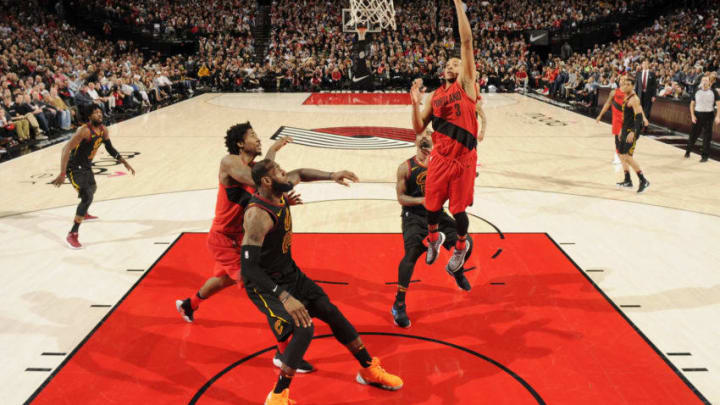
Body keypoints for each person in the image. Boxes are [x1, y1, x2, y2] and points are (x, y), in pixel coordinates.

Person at [242, 159, 402, 405]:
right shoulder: (257, 216)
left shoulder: (279, 190)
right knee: (304, 328)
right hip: (265, 285)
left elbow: (302, 173)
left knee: (330, 311)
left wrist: (332, 173)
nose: (287, 175)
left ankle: (368, 369)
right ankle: (277, 396)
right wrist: (283, 296)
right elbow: (249, 267)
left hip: (290, 273)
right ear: (266, 181)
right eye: (280, 172)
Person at [175, 123, 315, 373]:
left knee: (222, 280)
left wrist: (273, 158)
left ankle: (189, 304)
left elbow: (263, 183)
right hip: (222, 239)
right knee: (263, 289)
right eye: (253, 136)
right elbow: (258, 180)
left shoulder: (254, 169)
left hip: (241, 237)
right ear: (240, 143)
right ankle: (283, 354)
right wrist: (272, 153)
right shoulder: (229, 162)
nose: (258, 139)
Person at [410, 0, 479, 278]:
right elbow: (418, 129)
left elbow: (466, 42)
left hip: (463, 160)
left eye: (456, 62)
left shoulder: (467, 85)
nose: (452, 64)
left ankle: (461, 246)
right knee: (431, 207)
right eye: (449, 63)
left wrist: (458, 7)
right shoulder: (435, 95)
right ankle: (435, 238)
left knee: (459, 210)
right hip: (440, 157)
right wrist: (414, 103)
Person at [392, 129, 473, 328]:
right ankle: (399, 304)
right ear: (416, 141)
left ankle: (456, 269)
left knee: (467, 243)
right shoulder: (406, 167)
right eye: (422, 136)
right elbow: (401, 198)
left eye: (430, 135)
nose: (426, 138)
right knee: (410, 255)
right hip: (414, 217)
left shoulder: (443, 165)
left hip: (437, 214)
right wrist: (423, 200)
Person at [51, 106, 136, 248]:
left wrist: (124, 162)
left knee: (93, 188)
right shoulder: (84, 131)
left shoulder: (103, 130)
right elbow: (65, 149)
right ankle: (72, 234)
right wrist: (62, 173)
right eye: (96, 113)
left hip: (86, 166)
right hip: (74, 167)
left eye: (100, 113)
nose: (99, 115)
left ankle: (83, 211)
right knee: (87, 196)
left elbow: (110, 148)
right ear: (89, 116)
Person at [616, 77, 650, 193]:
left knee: (627, 156)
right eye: (624, 84)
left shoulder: (634, 99)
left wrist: (633, 132)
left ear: (632, 86)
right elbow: (626, 117)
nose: (625, 86)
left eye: (628, 84)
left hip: (632, 131)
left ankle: (643, 180)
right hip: (625, 129)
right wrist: (622, 129)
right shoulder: (627, 97)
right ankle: (628, 180)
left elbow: (638, 117)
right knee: (621, 155)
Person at [685, 76, 720, 162]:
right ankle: (688, 151)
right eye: (703, 80)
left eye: (706, 80)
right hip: (698, 115)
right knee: (693, 134)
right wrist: (693, 116)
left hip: (709, 115)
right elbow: (692, 104)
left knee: (707, 136)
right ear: (701, 81)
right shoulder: (697, 91)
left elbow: (719, 104)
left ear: (709, 82)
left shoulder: (714, 91)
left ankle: (705, 156)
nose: (704, 82)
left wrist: (718, 116)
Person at [596, 77, 627, 165]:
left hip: (626, 117)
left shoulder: (630, 93)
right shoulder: (613, 92)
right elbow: (607, 104)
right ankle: (618, 156)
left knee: (622, 138)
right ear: (619, 81)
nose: (623, 81)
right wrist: (600, 115)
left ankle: (621, 155)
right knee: (617, 138)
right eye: (621, 79)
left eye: (625, 79)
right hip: (616, 118)